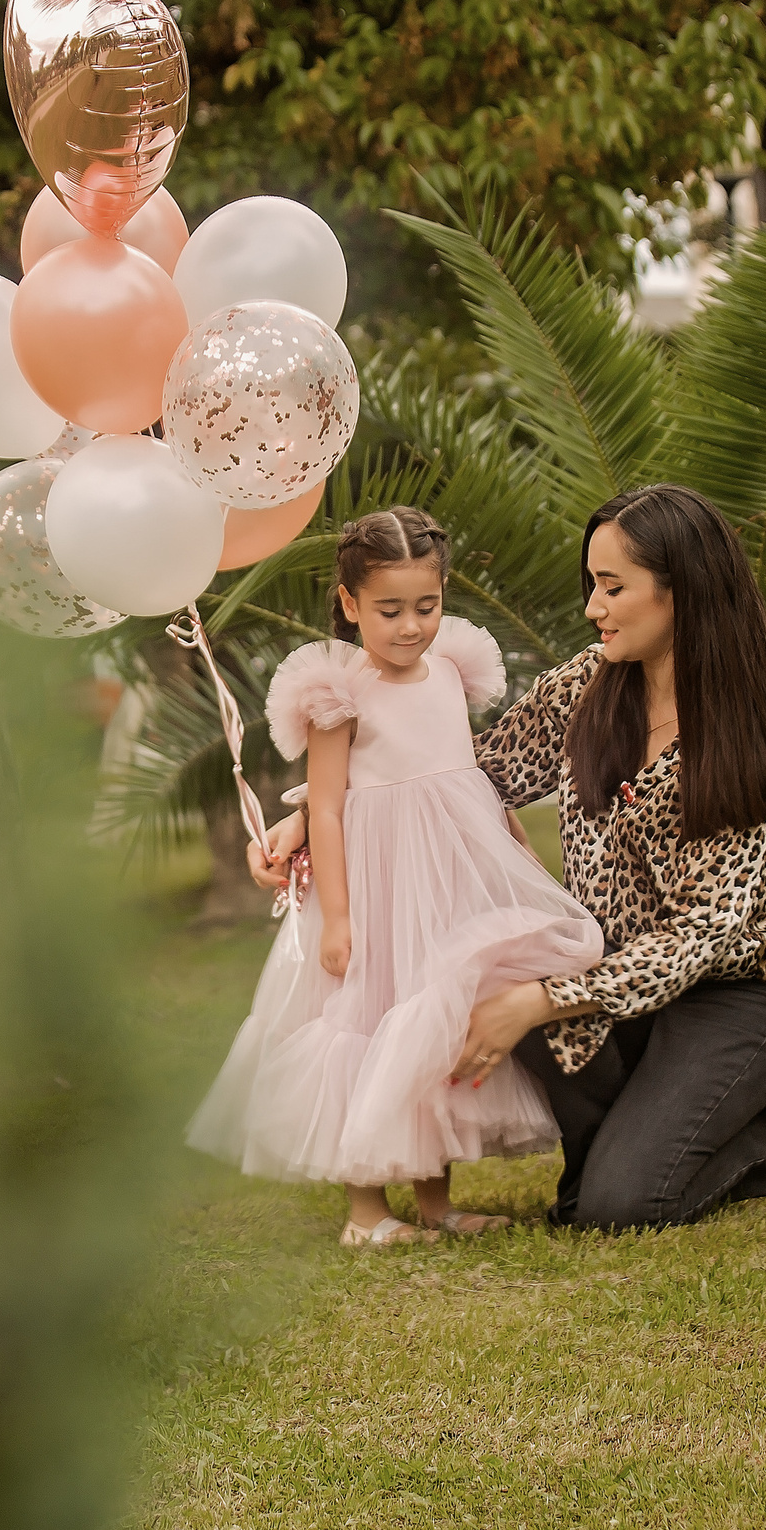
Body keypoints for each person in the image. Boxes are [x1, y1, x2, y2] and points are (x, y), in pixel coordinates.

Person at [251, 485, 766, 1230]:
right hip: (607, 982)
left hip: (734, 996)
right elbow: (465, 774)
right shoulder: (589, 683)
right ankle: (637, 1136)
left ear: (683, 591)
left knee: (621, 1205)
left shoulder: (737, 740)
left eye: (612, 587)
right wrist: (308, 819)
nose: (592, 607)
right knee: (581, 1198)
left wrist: (539, 1000)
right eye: (592, 584)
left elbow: (698, 938)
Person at [187, 509, 605, 1247]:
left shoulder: (450, 672)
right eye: (389, 610)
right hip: (374, 885)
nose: (411, 627)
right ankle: (365, 1211)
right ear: (350, 604)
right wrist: (340, 915)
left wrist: (512, 846)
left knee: (432, 1023)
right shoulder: (339, 693)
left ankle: (437, 1202)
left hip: (443, 881)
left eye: (427, 606)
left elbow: (469, 778)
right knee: (367, 1021)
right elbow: (327, 808)